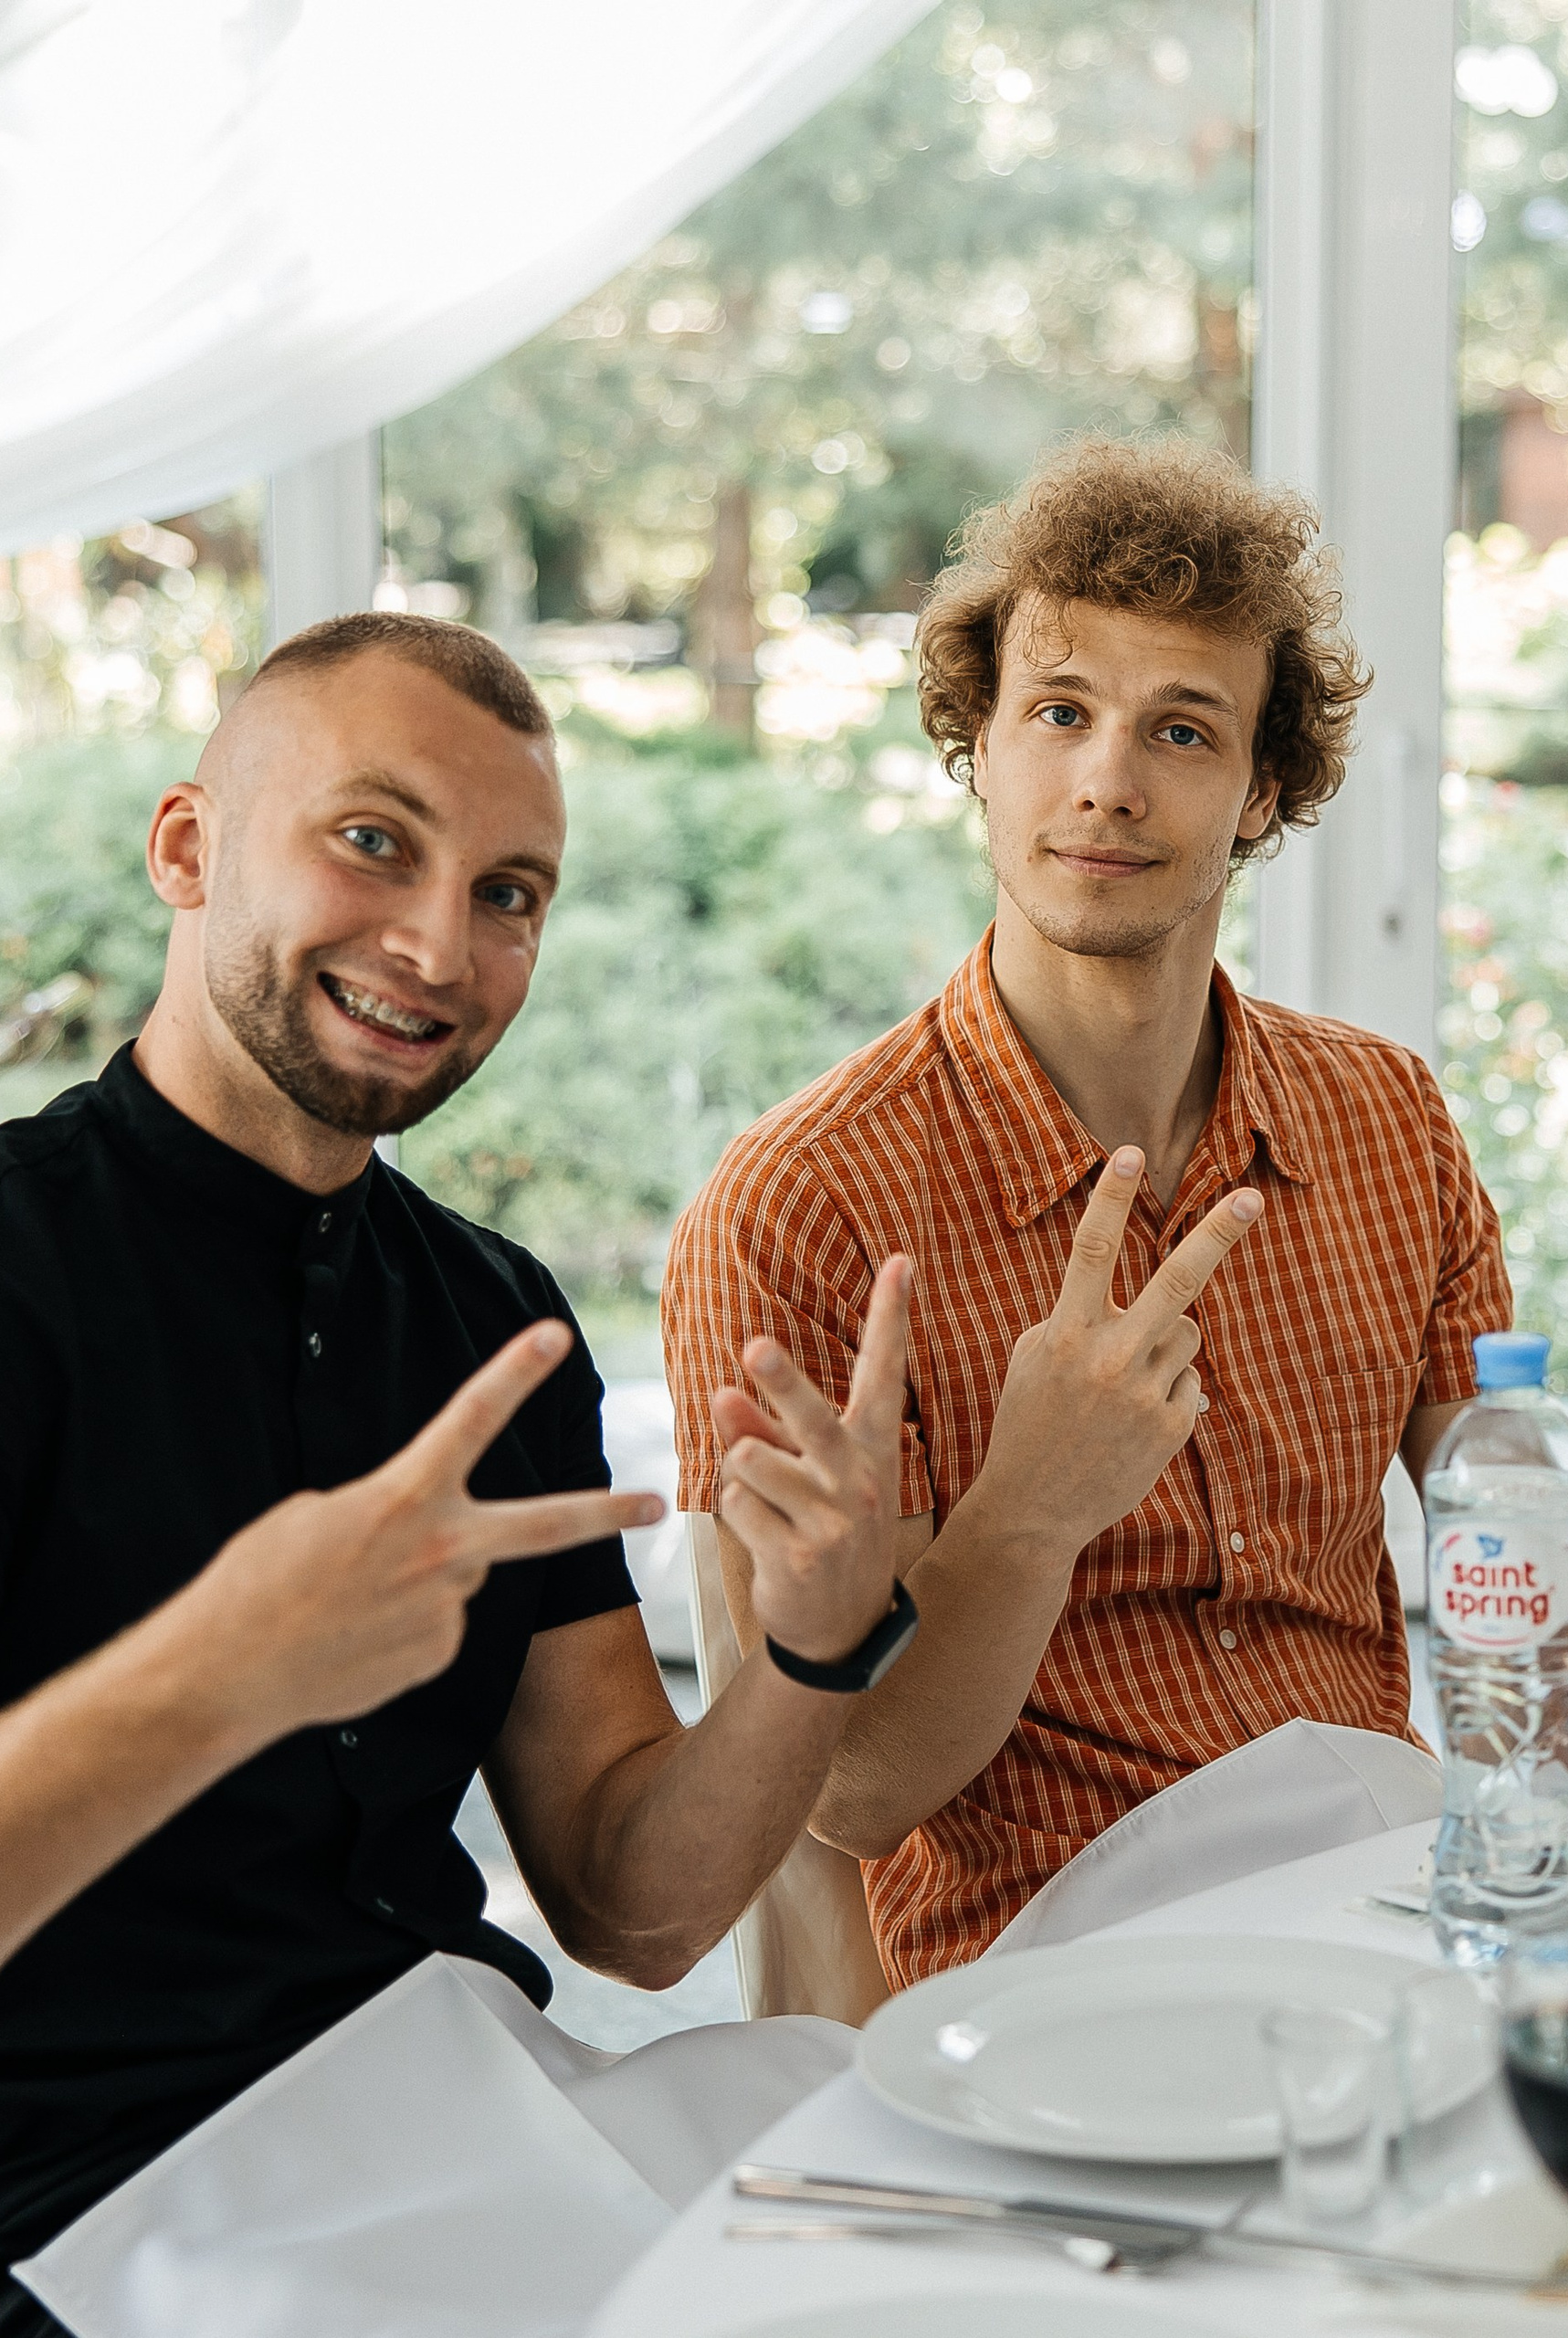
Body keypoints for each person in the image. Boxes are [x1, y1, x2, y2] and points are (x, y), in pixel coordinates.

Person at [665, 437, 1568, 1988]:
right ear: (980, 748)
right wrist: (1033, 1506)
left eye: (1181, 730)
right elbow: (852, 1789)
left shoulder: (1385, 1123)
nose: (1106, 780)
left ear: (1262, 787)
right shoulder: (805, 1205)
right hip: (1053, 1970)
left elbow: (1522, 1537)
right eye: (1057, 714)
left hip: (1398, 1899)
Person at [0, 615, 910, 2330]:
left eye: (508, 892)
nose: (438, 942)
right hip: (94, 2214)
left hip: (456, 2108)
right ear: (188, 848)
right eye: (374, 842)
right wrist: (229, 1669)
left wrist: (814, 1651)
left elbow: (633, 1913)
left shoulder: (491, 1315)